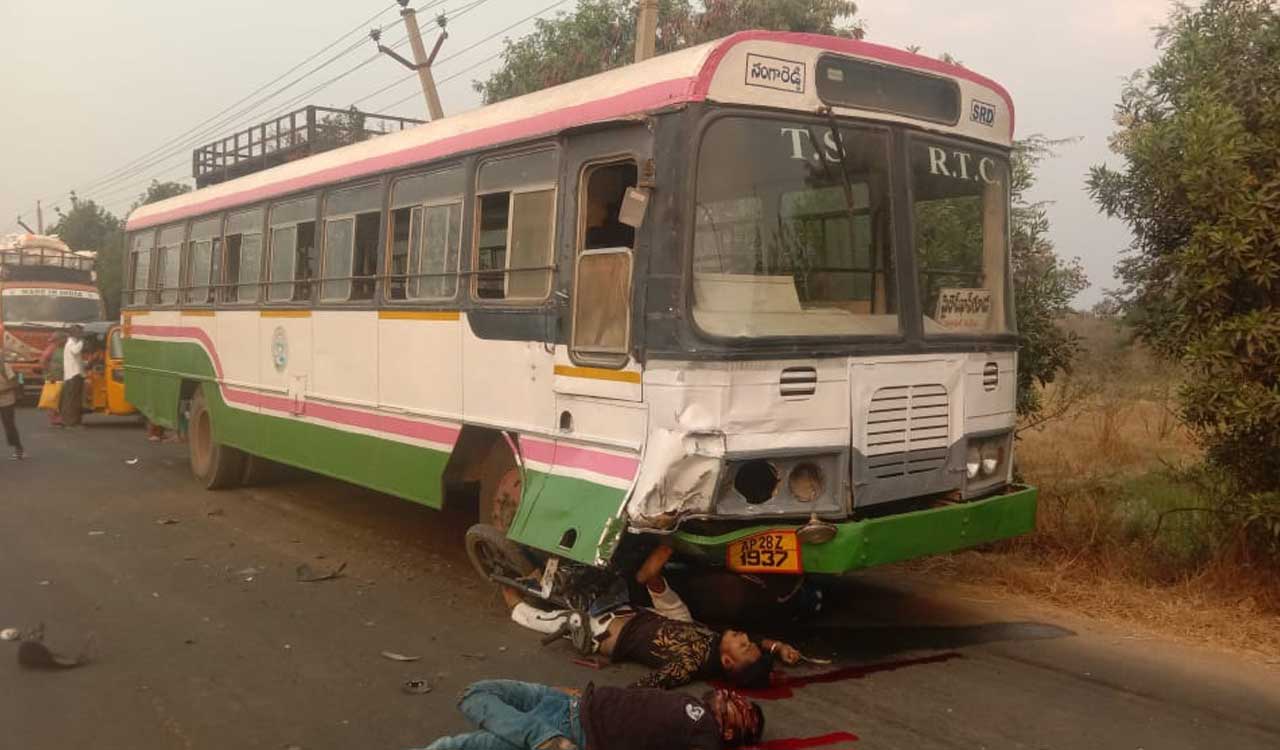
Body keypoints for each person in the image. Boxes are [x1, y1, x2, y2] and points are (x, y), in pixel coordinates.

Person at [508, 547, 802, 689]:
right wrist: (776, 647)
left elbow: (648, 685)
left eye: (742, 645)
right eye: (747, 641)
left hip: (603, 630)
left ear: (727, 662)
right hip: (636, 611)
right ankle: (652, 576)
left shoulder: (689, 665)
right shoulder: (716, 642)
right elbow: (755, 646)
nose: (744, 637)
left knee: (538, 618)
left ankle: (507, 591)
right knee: (675, 610)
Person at [419, 680, 763, 750]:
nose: (733, 697)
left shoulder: (707, 734)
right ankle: (540, 739)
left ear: (732, 731)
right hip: (566, 702)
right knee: (475, 693)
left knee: (457, 748)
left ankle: (545, 739)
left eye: (740, 708)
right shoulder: (692, 701)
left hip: (576, 731)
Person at [59, 325, 86, 428]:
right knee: (71, 400)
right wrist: (82, 341)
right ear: (74, 333)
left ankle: (74, 422)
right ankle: (69, 422)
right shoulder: (71, 343)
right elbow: (75, 351)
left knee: (75, 400)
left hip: (76, 374)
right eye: (79, 332)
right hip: (72, 375)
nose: (81, 334)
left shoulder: (73, 342)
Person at [38, 332, 66, 426]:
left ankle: (60, 417)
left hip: (61, 376)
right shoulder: (52, 348)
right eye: (64, 339)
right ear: (59, 340)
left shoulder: (63, 348)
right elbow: (43, 361)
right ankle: (54, 419)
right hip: (53, 377)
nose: (65, 340)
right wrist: (49, 374)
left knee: (60, 397)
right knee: (53, 397)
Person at [0, 356, 24, 460]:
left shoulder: (4, 366)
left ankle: (18, 447)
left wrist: (3, 390)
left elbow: (16, 381)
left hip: (6, 399)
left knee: (9, 425)